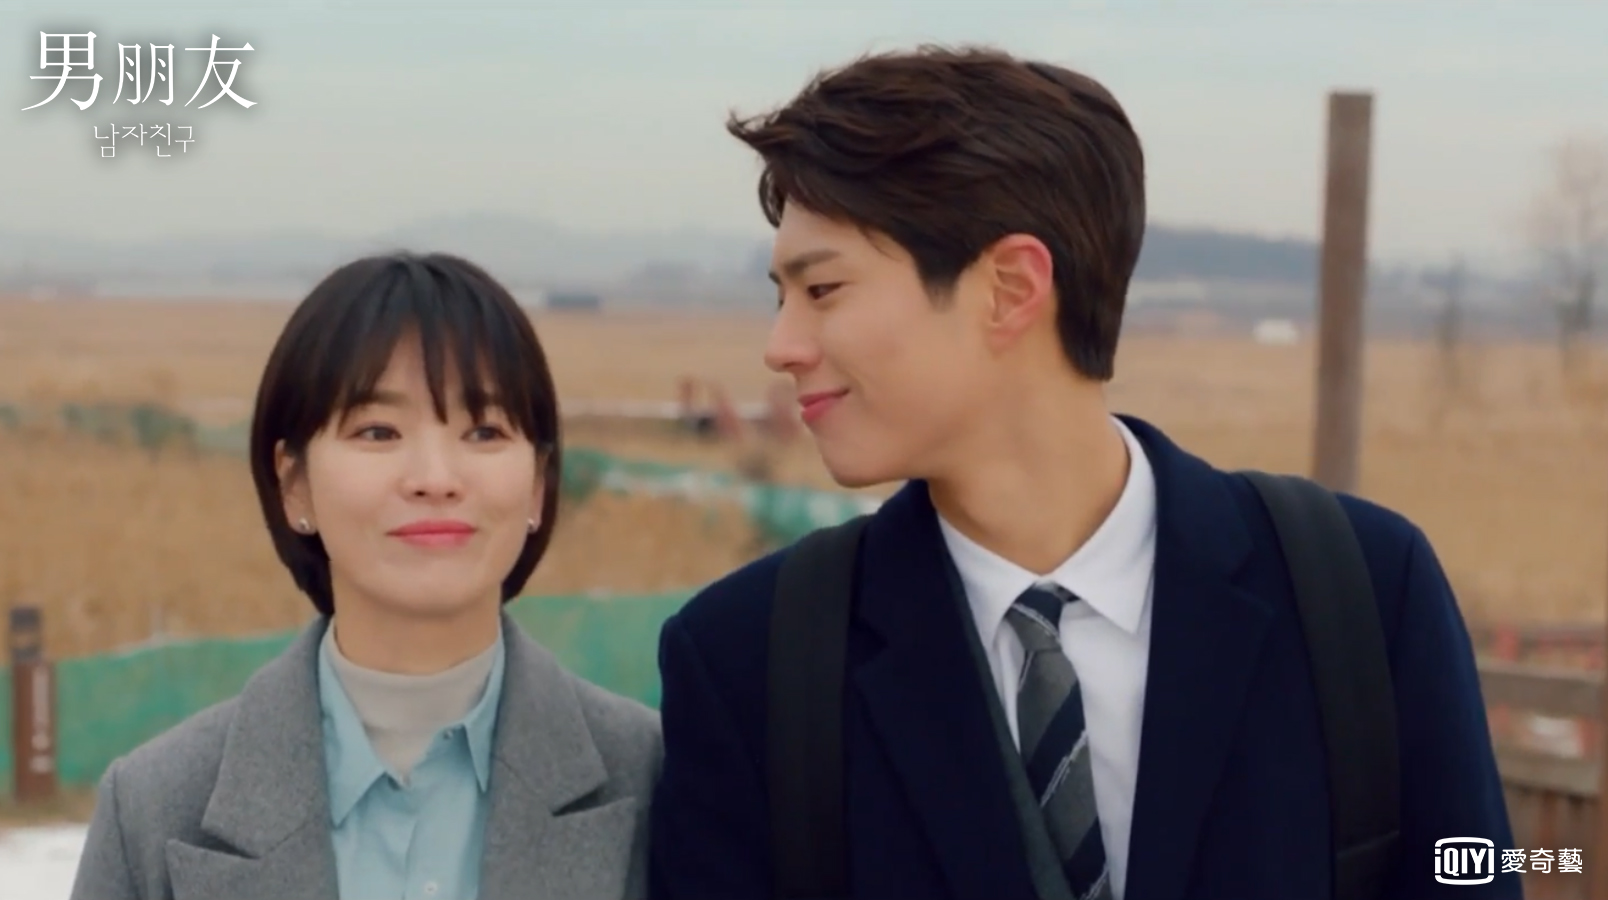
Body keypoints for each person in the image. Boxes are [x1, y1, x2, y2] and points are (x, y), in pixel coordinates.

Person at [648, 46, 1517, 900]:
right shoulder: (751, 660)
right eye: (782, 297)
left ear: (1011, 288)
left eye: (823, 290)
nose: (781, 347)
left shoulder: (1360, 590)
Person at [71, 252, 662, 900]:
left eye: (484, 431)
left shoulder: (655, 778)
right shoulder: (155, 809)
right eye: (378, 431)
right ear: (294, 483)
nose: (435, 479)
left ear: (539, 485)